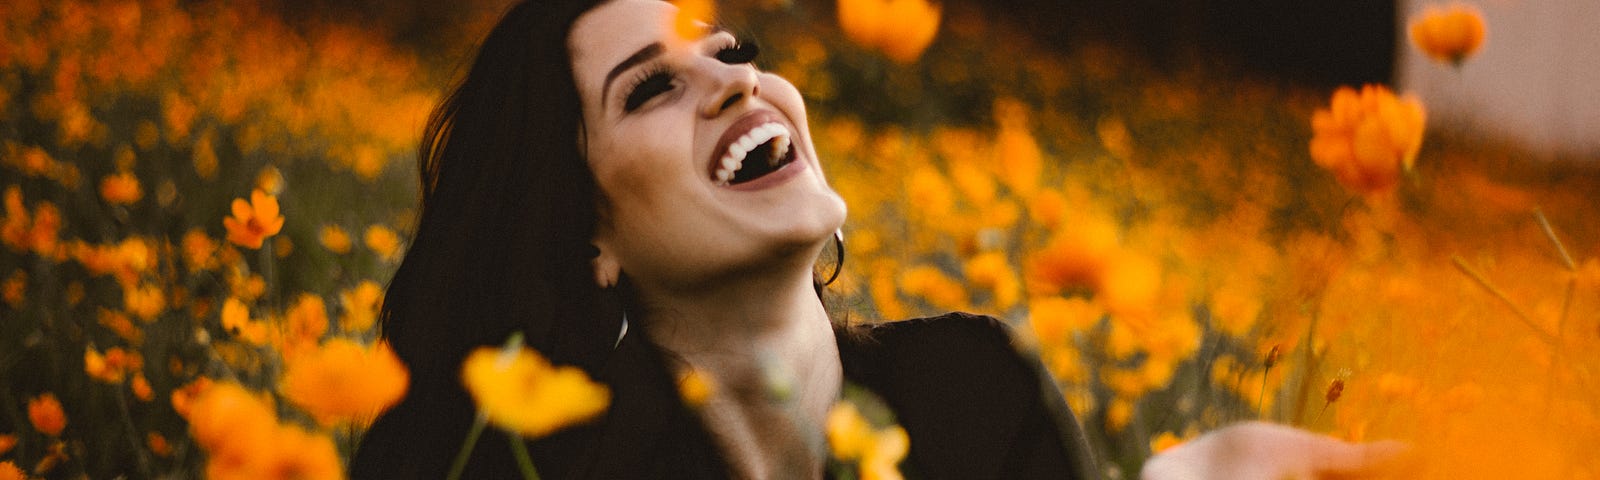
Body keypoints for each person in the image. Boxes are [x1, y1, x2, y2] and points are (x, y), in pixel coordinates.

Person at [351, 0, 1404, 478]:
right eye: (656, 88)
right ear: (589, 243)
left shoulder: (973, 383)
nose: (740, 78)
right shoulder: (561, 465)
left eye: (734, 51)